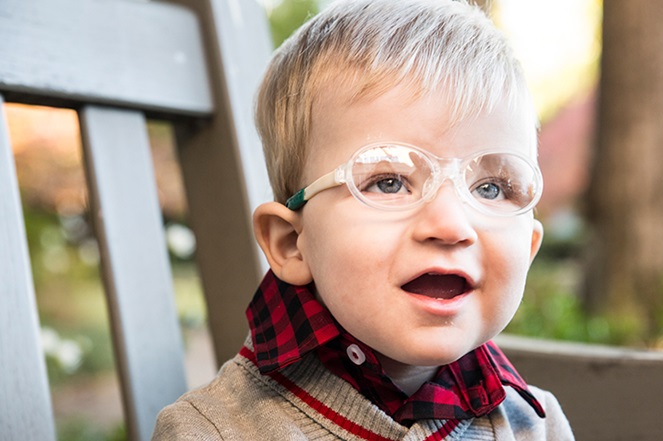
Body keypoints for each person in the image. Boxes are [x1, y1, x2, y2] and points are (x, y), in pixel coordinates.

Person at [153, 0, 575, 439]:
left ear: (528, 248)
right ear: (291, 244)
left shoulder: (536, 424)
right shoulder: (215, 431)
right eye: (389, 182)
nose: (451, 226)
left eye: (489, 188)